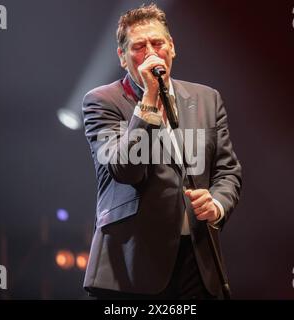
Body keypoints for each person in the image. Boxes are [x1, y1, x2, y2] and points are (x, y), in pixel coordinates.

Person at [82, 4, 242, 300]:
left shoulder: (206, 98)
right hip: (131, 262)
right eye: (139, 46)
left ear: (172, 48)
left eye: (157, 43)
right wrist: (149, 98)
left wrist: (216, 205)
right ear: (122, 56)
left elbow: (227, 171)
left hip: (197, 260)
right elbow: (125, 169)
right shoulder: (102, 101)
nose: (151, 53)